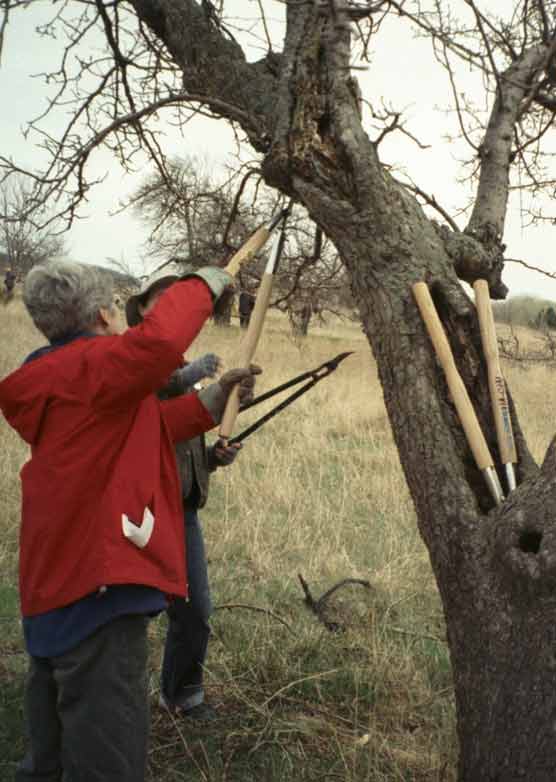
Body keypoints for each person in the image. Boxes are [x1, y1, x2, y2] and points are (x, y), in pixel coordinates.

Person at [0, 259, 260, 782]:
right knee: (108, 758)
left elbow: (140, 428)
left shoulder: (62, 376)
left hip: (55, 584)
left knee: (49, 754)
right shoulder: (93, 365)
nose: (123, 316)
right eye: (118, 307)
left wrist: (210, 402)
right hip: (97, 593)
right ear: (100, 314)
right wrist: (204, 283)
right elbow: (160, 346)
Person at [127, 267, 245, 721]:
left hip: (184, 512)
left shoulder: (180, 366)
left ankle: (183, 694)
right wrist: (192, 378)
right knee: (132, 614)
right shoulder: (131, 360)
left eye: (178, 298)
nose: (172, 306)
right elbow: (151, 392)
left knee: (196, 609)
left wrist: (214, 457)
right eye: (160, 299)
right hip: (142, 515)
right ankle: (115, 699)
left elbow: (180, 434)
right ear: (142, 310)